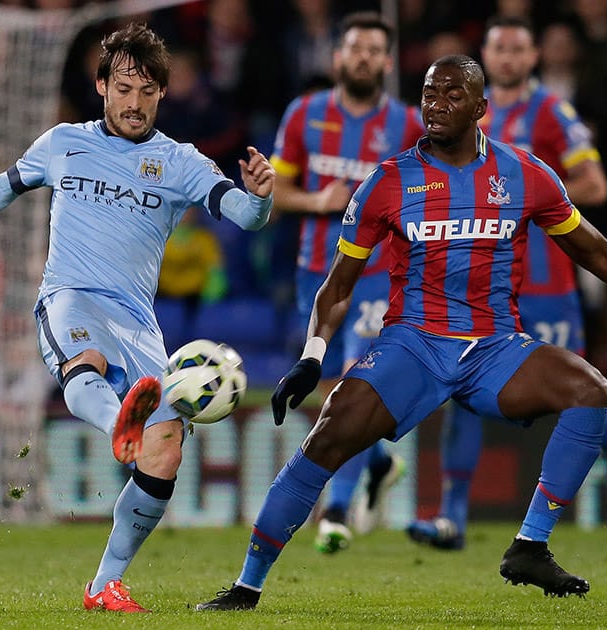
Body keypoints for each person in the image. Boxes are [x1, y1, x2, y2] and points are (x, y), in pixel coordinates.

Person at [195, 54, 607, 611]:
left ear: (481, 109)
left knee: (590, 389)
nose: (435, 106)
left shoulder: (526, 174)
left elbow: (597, 253)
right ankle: (247, 585)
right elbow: (337, 287)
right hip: (413, 343)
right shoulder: (386, 184)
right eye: (429, 94)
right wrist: (313, 356)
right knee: (326, 437)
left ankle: (530, 545)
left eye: (451, 95)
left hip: (495, 347)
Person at [0, 23, 275, 614]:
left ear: (163, 94)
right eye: (124, 88)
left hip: (138, 322)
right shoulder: (62, 142)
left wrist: (260, 196)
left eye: (147, 91)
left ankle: (104, 583)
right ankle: (118, 422)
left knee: (165, 451)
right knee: (87, 362)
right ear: (102, 87)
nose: (135, 103)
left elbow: (245, 216)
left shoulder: (181, 162)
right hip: (70, 297)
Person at [407, 15, 607, 552]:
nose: (508, 58)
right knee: (460, 392)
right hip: (480, 286)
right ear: (486, 57)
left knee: (581, 389)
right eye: (498, 48)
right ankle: (452, 518)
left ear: (534, 58)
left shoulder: (553, 112)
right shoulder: (464, 112)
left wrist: (530, 196)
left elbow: (595, 183)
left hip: (545, 282)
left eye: (517, 49)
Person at [269, 11, 426, 553]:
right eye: (354, 48)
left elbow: (431, 192)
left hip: (380, 276)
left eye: (373, 50)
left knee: (350, 391)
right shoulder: (304, 115)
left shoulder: (408, 124)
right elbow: (273, 193)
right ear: (337, 57)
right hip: (318, 274)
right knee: (329, 389)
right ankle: (381, 461)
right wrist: (317, 200)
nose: (362, 58)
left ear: (387, 61)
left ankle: (335, 511)